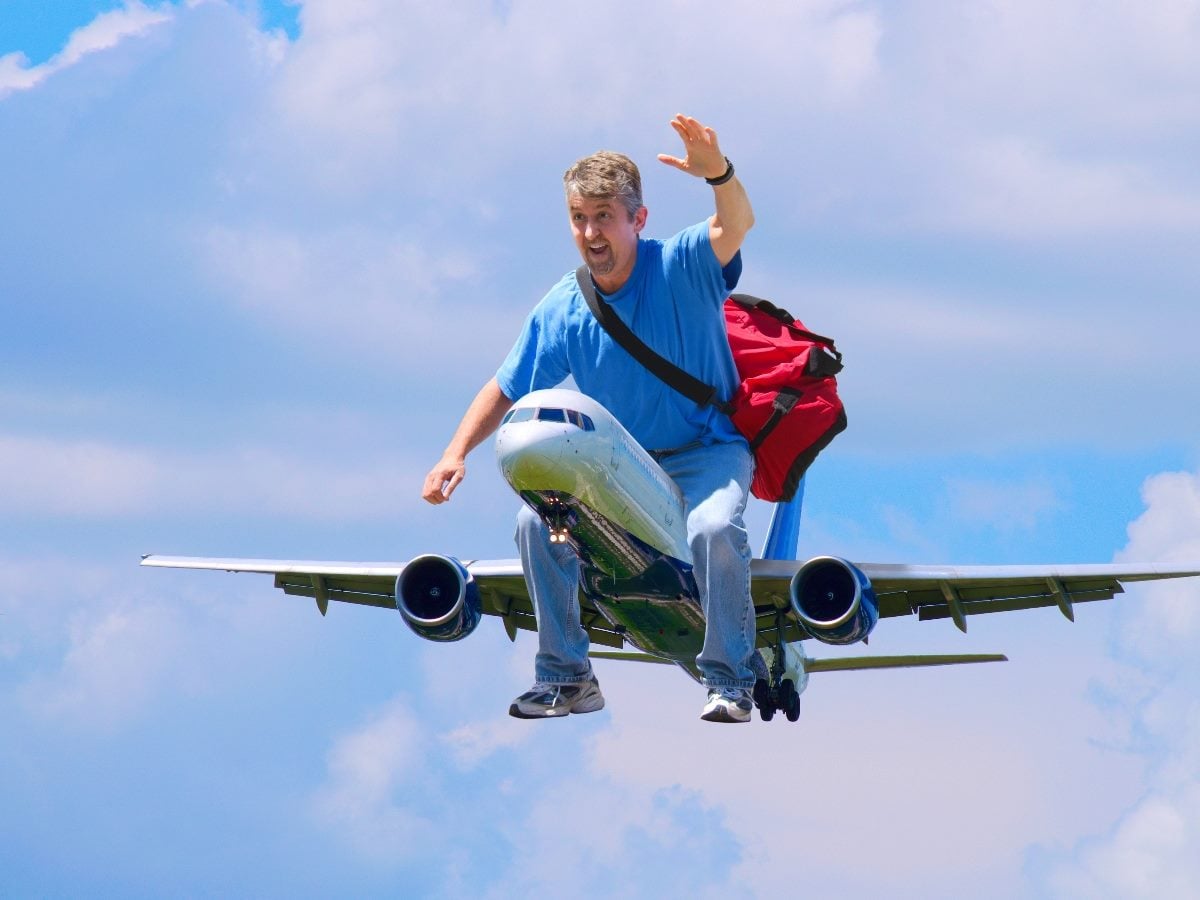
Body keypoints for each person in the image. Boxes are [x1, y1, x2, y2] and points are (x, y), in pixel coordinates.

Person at [422, 114, 757, 723]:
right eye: (579, 217)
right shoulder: (563, 306)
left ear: (638, 219)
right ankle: (568, 678)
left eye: (604, 215)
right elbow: (504, 387)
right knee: (534, 524)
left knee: (711, 529)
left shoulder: (681, 265)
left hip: (707, 450)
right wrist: (454, 453)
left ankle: (733, 681)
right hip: (625, 465)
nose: (590, 232)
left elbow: (736, 223)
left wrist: (718, 173)